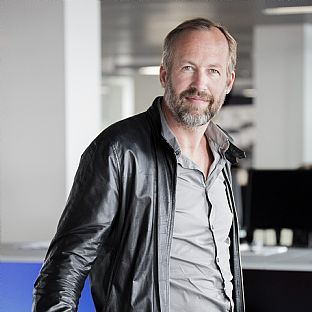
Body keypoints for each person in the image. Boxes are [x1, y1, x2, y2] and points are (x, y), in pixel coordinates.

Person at [32, 18, 245, 312]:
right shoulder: (118, 151)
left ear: (228, 81)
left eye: (213, 71)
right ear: (163, 74)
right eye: (187, 68)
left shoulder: (225, 157)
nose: (200, 84)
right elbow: (65, 267)